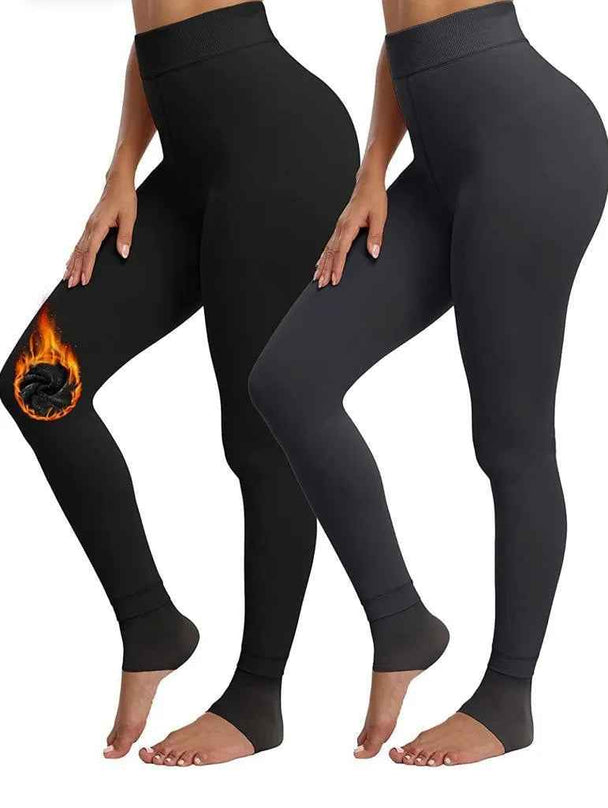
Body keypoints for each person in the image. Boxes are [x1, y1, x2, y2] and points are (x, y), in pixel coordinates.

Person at [249, 0, 608, 766]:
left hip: (530, 147)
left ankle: (508, 698)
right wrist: (371, 171)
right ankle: (401, 624)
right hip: (437, 163)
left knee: (510, 444)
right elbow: (401, 32)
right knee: (288, 381)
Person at [0, 0, 358, 766]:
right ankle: (151, 625)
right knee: (38, 382)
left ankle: (258, 698)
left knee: (258, 433)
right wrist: (122, 170)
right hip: (188, 166)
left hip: (282, 148)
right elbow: (154, 31)